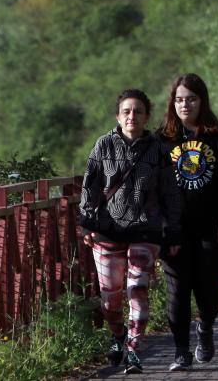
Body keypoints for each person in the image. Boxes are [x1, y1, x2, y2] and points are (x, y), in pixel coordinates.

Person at [78, 89, 182, 375]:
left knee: (137, 288)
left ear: (147, 116)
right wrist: (86, 223)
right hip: (108, 231)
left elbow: (170, 192)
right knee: (110, 296)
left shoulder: (159, 149)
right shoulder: (103, 146)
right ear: (118, 116)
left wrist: (173, 230)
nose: (132, 116)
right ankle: (117, 334)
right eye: (126, 111)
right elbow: (90, 186)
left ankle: (134, 350)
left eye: (138, 111)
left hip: (145, 231)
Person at [157, 74, 218, 371]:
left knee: (208, 292)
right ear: (172, 103)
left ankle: (205, 326)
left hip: (211, 226)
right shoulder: (162, 140)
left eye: (191, 99)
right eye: (179, 99)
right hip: (174, 230)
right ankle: (181, 351)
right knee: (177, 291)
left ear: (202, 101)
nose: (185, 104)